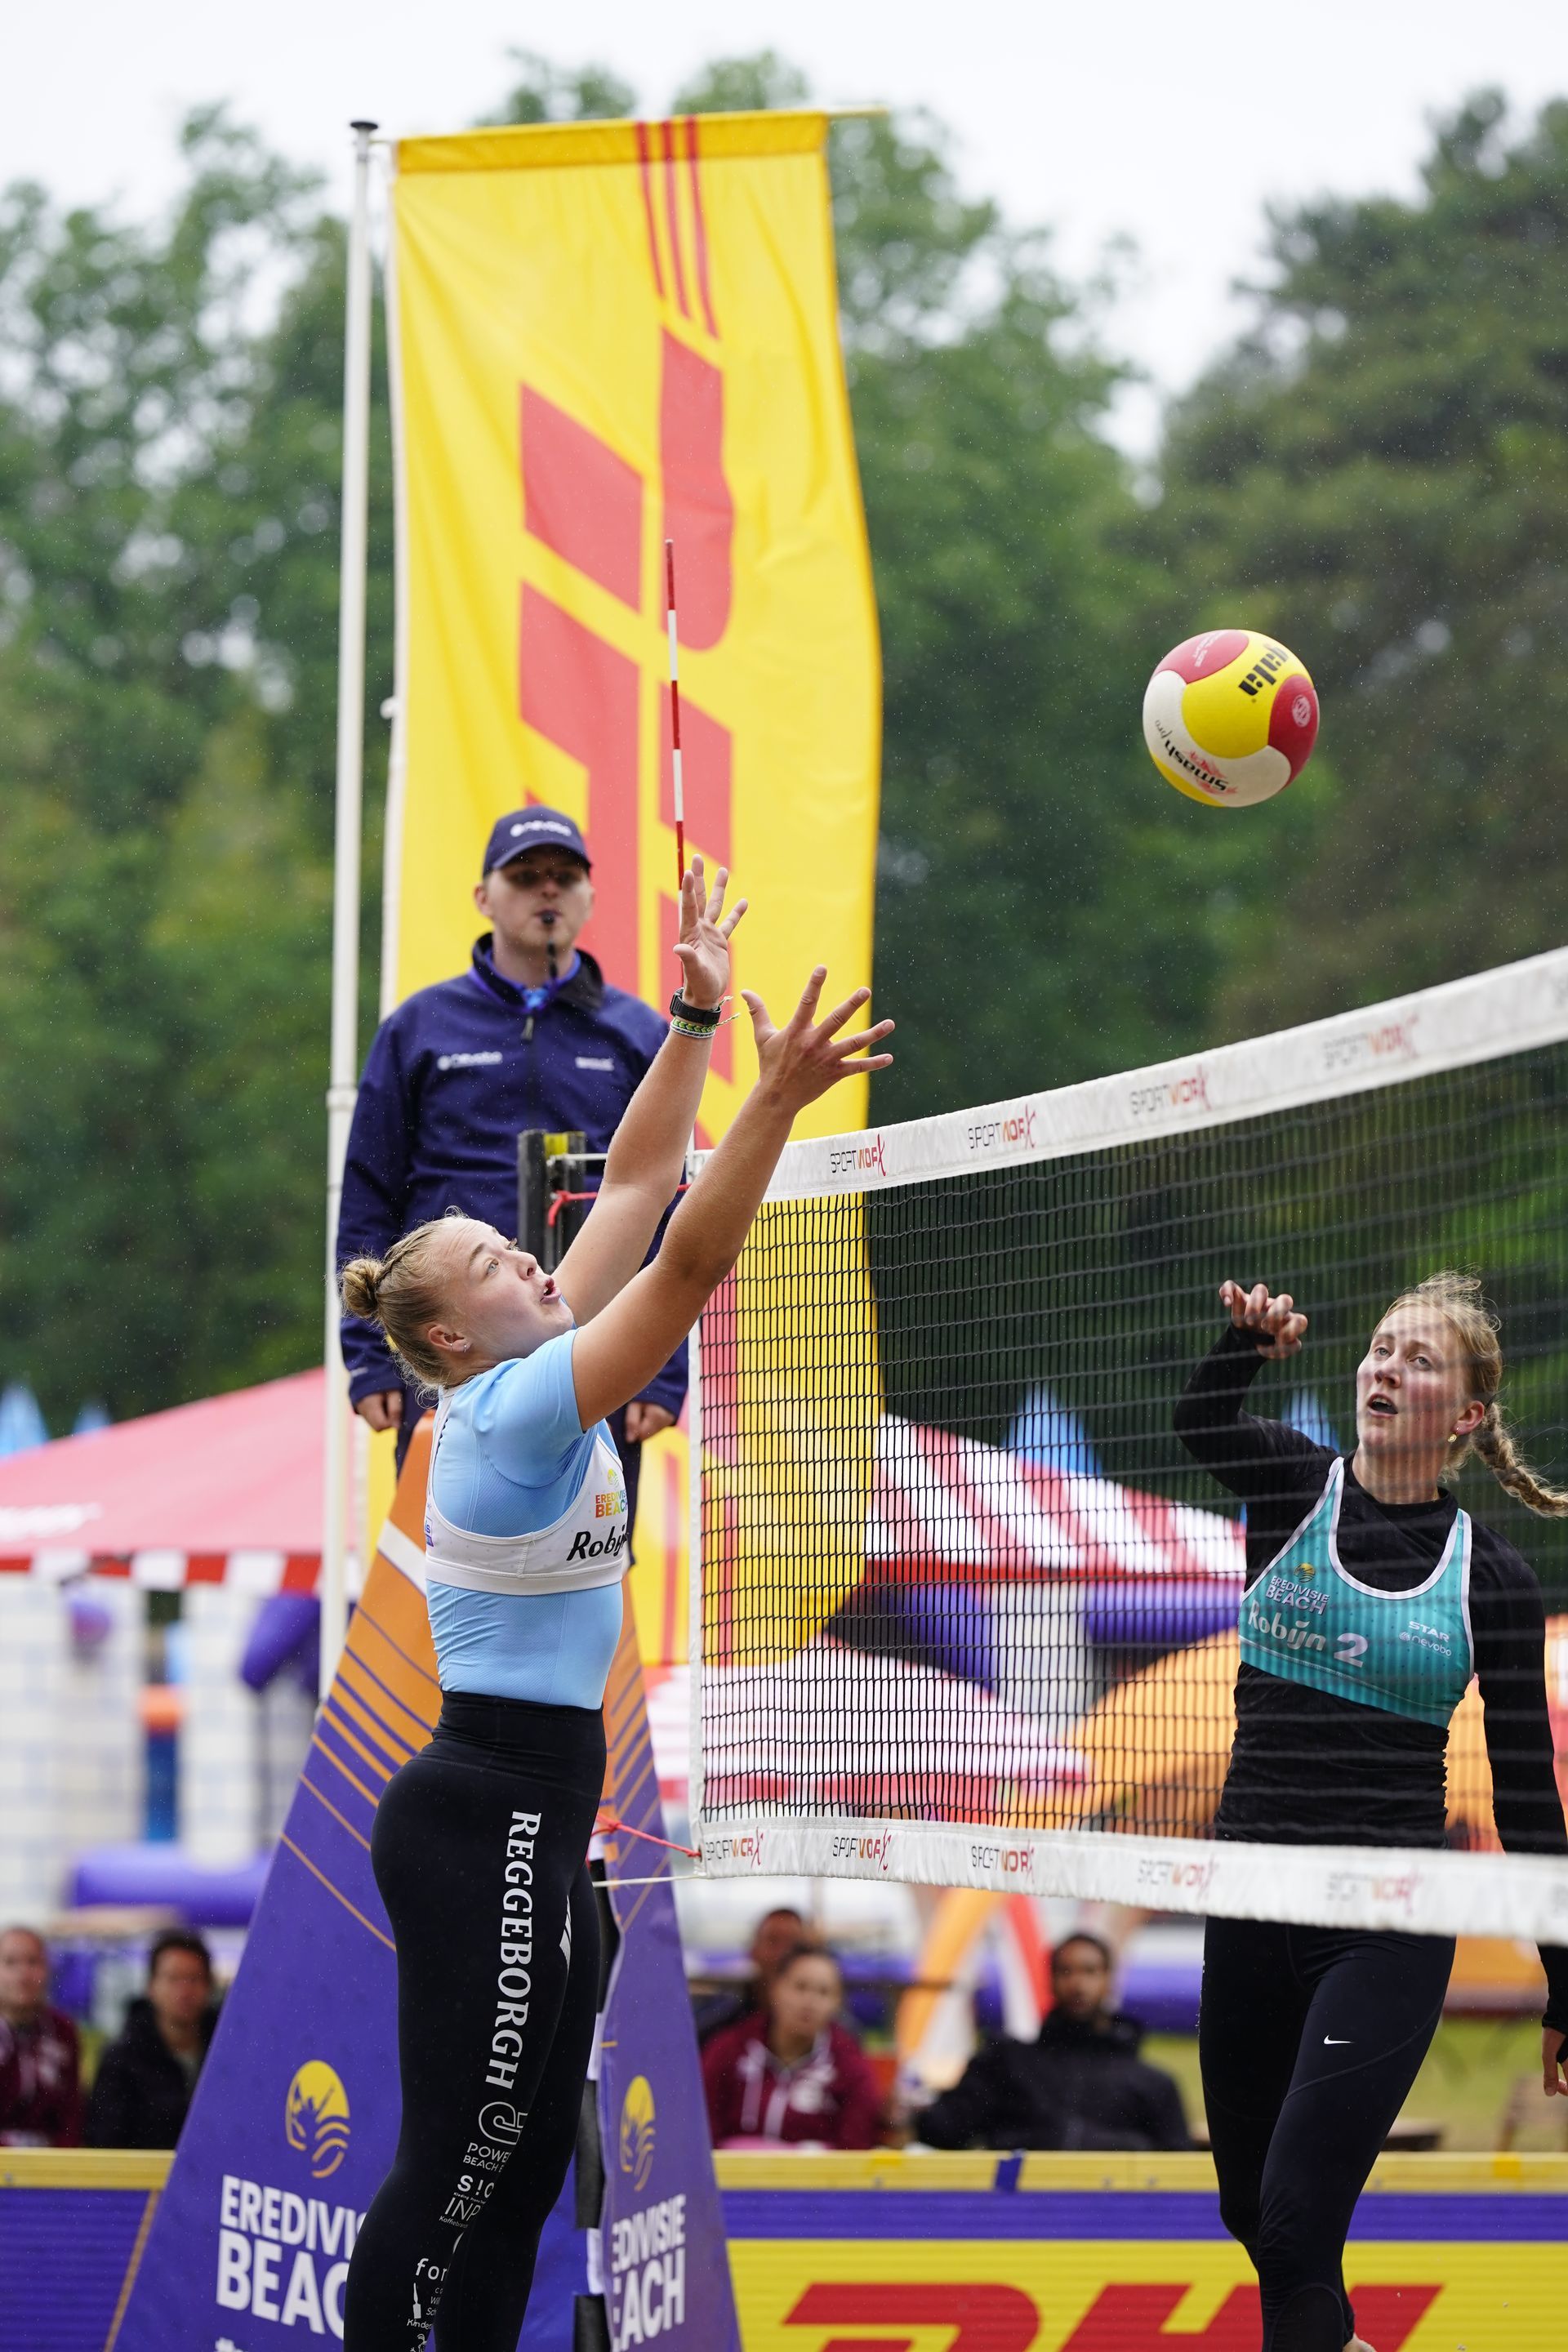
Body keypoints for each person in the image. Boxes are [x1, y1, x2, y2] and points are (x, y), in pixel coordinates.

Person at [335, 861, 892, 2351]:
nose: (526, 1247)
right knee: (458, 2164)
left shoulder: (530, 1360)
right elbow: (693, 1256)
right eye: (492, 1256)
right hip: (486, 1811)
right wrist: (772, 1101)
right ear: (451, 1330)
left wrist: (698, 1011)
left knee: (519, 2181)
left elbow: (637, 1189)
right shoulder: (514, 1409)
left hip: (536, 1807)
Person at [1174, 1272, 1568, 2352]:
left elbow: (1528, 1794)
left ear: (1468, 1416)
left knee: (1298, 2227)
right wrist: (1245, 1345)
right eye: (1382, 1348)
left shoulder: (1489, 1577)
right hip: (1250, 1898)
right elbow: (1198, 1420)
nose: (1388, 1367)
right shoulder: (1295, 1484)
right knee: (1252, 2216)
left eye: (1420, 1359)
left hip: (1386, 1924)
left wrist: (1566, 1987)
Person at [337, 806, 688, 1531]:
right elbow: (369, 1194)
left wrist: (666, 1364)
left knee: (591, 1550)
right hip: (453, 1345)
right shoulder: (419, 1027)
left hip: (594, 1337)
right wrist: (371, 1360)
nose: (546, 892)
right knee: (445, 1554)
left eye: (564, 877)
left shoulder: (636, 1032)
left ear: (591, 896)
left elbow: (667, 1202)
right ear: (484, 896)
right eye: (525, 877)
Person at [913, 1932, 1189, 2152]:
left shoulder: (1152, 2085)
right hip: (1025, 2215)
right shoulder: (1009, 2065)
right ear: (1051, 1981)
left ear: (1109, 1981)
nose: (1078, 1984)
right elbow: (943, 2130)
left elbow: (1177, 2174)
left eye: (1090, 1971)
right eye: (1066, 1972)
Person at [702, 1941, 884, 2150]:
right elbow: (701, 2130)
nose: (810, 2002)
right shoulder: (728, 2049)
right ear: (775, 1988)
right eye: (800, 1987)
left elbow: (856, 2148)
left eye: (823, 1992)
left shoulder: (850, 2065)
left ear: (837, 2002)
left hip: (817, 2181)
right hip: (730, 2179)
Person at [86, 1931, 216, 2149]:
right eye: (173, 1979)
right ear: (151, 1987)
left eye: (194, 1979)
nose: (185, 1991)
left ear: (209, 1987)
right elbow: (103, 2141)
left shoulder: (229, 2054)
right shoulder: (120, 2059)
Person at [0, 1926, 81, 2148]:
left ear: (48, 1969)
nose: (23, 1974)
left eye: (33, 1962)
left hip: (49, 2167)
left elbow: (71, 2114)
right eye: (10, 1962)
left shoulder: (63, 2030)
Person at [693, 1905, 806, 2045]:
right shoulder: (720, 2024)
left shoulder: (833, 2035)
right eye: (773, 1941)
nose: (783, 1954)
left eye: (793, 1944)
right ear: (753, 1951)